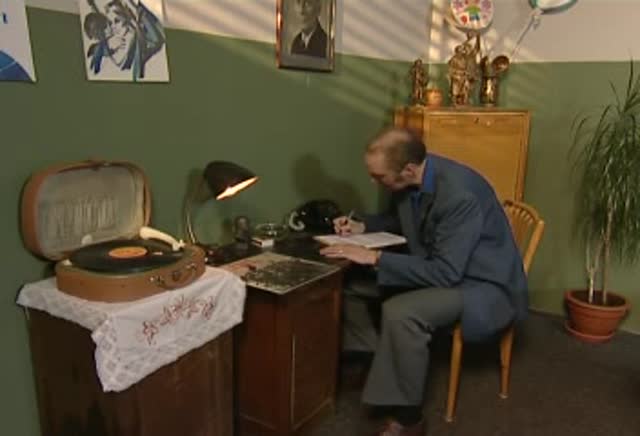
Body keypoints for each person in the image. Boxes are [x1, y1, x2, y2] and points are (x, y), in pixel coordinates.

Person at [320, 128, 527, 436]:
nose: (374, 182)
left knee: (402, 313)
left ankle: (409, 420)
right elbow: (402, 220)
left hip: (479, 282)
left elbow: (446, 272)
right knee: (350, 284)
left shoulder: (459, 195)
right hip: (442, 264)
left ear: (408, 169)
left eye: (378, 177)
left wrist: (375, 258)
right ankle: (378, 361)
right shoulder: (414, 174)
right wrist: (362, 226)